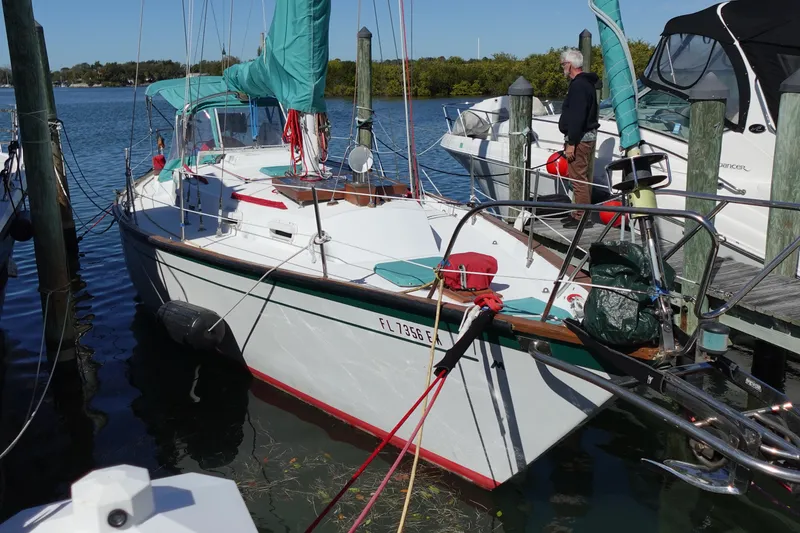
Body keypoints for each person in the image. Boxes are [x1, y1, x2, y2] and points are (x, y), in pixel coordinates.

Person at [558, 49, 599, 228]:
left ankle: (582, 217)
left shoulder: (578, 86)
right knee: (577, 177)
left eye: (563, 64)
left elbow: (577, 117)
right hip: (583, 137)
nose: (562, 68)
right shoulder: (586, 84)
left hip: (580, 139)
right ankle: (577, 213)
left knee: (578, 179)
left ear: (569, 65)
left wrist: (571, 143)